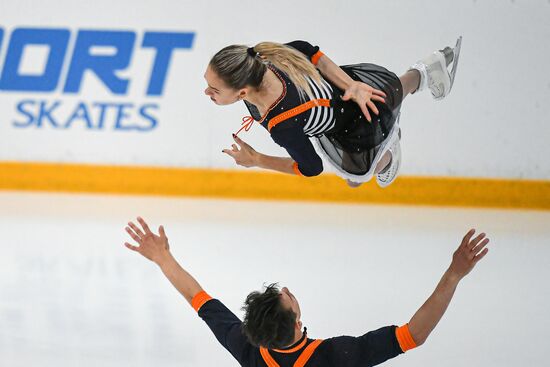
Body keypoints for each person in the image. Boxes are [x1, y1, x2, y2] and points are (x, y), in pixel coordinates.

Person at [124, 216, 489, 367]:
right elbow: (414, 335)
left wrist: (162, 259)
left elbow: (197, 298)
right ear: (297, 323)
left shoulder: (246, 347)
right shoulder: (336, 355)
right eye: (288, 297)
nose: (286, 289)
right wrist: (454, 275)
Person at [206, 38, 462, 188]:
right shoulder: (264, 60)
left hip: (354, 119)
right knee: (392, 89)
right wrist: (350, 84)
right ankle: (428, 68)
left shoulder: (282, 123)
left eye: (213, 89)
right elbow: (306, 50)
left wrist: (258, 160)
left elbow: (311, 168)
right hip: (350, 87)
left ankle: (388, 145)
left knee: (357, 178)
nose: (207, 93)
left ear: (241, 93)